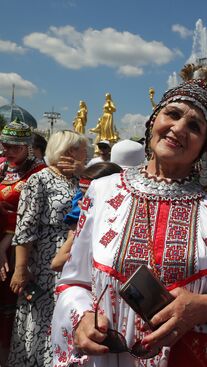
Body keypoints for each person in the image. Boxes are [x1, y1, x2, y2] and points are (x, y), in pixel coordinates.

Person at [51, 79, 207, 367]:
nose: (179, 128)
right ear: (153, 120)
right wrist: (81, 318)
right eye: (172, 114)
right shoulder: (102, 191)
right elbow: (73, 281)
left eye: (195, 126)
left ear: (204, 147)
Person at [8, 129, 87, 367]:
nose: (86, 153)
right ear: (67, 150)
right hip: (44, 261)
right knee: (40, 319)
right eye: (81, 149)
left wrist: (82, 175)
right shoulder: (40, 179)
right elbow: (25, 227)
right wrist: (21, 268)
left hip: (71, 256)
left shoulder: (76, 179)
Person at [0, 120, 47, 365]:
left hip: (16, 249)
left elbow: (31, 217)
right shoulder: (1, 167)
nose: (6, 152)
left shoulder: (39, 174)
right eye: (4, 145)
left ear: (27, 147)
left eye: (13, 147)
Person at [50, 162, 122, 272]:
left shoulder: (118, 224)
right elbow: (57, 263)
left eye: (88, 197)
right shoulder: (82, 221)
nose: (81, 202)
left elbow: (58, 263)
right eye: (82, 195)